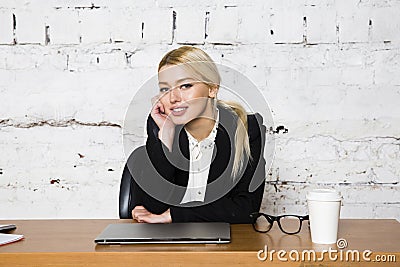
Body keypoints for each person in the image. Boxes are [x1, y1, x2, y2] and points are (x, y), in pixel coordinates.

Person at [125, 46, 266, 224]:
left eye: (185, 86)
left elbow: (246, 210)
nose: (173, 98)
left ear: (212, 89)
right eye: (164, 89)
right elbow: (152, 209)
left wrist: (175, 215)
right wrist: (166, 138)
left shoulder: (246, 128)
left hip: (222, 244)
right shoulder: (160, 125)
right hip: (169, 242)